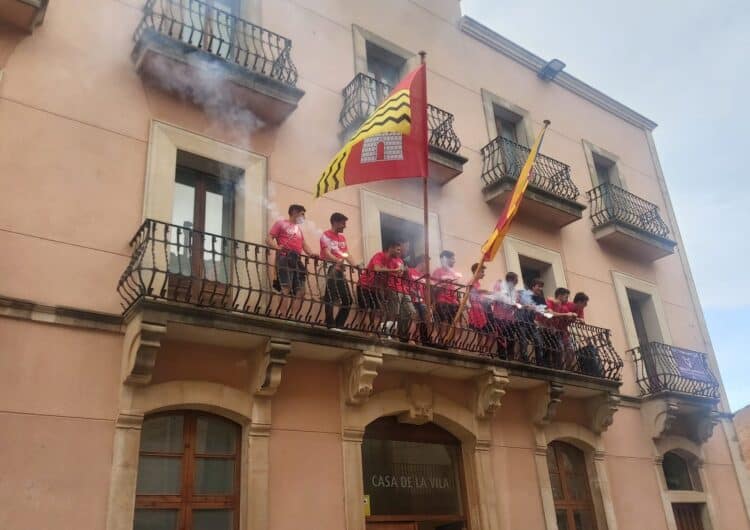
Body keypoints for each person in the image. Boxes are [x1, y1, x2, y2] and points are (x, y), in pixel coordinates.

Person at [266, 204, 317, 316]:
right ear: (294, 212)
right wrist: (277, 247)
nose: (304, 217)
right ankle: (283, 315)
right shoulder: (281, 223)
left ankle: (293, 317)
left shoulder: (298, 229)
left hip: (297, 260)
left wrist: (311, 253)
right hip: (284, 257)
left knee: (300, 291)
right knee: (286, 287)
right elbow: (268, 238)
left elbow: (304, 244)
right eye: (302, 214)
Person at [357, 239, 407, 332]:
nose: (399, 252)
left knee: (377, 312)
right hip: (364, 285)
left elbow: (386, 276)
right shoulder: (379, 255)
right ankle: (367, 334)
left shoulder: (391, 261)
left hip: (375, 289)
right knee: (366, 311)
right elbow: (377, 268)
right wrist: (393, 271)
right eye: (398, 249)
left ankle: (375, 332)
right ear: (391, 248)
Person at [320, 212, 356, 330]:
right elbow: (326, 253)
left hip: (339, 269)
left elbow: (347, 254)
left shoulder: (342, 238)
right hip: (330, 267)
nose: (344, 226)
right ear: (335, 222)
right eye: (343, 223)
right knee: (330, 295)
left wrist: (355, 265)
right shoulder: (325, 235)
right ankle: (330, 324)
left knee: (348, 299)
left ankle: (338, 325)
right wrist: (337, 261)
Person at [432, 250, 464, 324]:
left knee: (455, 325)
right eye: (452, 259)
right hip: (442, 301)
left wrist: (460, 301)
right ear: (446, 259)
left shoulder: (453, 273)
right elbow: (433, 288)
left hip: (454, 302)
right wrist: (443, 284)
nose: (454, 261)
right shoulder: (437, 271)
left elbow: (455, 289)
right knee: (444, 324)